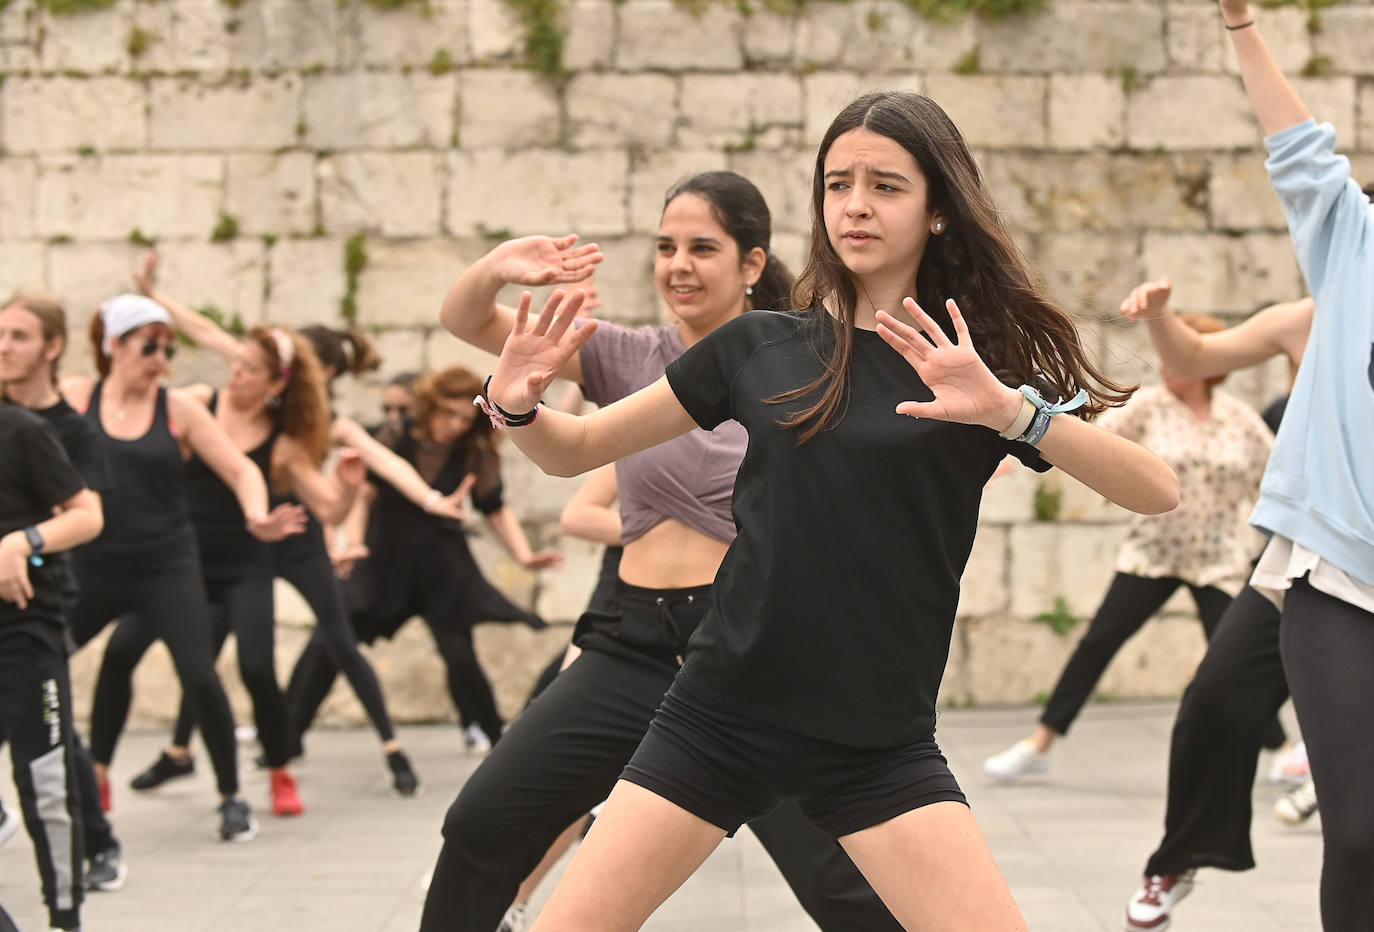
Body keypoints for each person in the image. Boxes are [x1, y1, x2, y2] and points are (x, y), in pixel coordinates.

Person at [468, 94, 1179, 932]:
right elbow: (576, 449)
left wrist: (1010, 412)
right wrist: (516, 403)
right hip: (716, 718)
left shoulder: (981, 364)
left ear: (939, 211)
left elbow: (1155, 490)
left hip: (878, 742)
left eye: (886, 186)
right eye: (838, 184)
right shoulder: (758, 345)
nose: (855, 206)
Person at [1119, 4, 1374, 912]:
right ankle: (1184, 849)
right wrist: (1242, 24)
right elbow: (1301, 147)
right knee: (1219, 704)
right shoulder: (1348, 262)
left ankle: (1330, 767)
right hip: (1325, 560)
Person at [118, 263, 466, 797]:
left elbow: (376, 469)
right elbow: (208, 335)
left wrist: (432, 499)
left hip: (297, 535)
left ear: (317, 372)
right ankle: (182, 750)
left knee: (339, 639)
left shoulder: (322, 423)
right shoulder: (243, 395)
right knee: (206, 643)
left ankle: (391, 748)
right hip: (245, 539)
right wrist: (155, 296)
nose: (249, 368)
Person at [92, 291, 362, 817]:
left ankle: (280, 769)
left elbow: (329, 508)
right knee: (123, 650)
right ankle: (98, 774)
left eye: (250, 368)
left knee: (257, 666)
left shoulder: (282, 443)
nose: (235, 373)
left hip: (244, 566)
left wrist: (348, 488)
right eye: (236, 363)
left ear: (276, 384)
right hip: (182, 562)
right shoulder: (194, 405)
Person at [983, 312, 1274, 782]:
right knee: (1098, 644)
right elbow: (1083, 442)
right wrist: (1006, 465)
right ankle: (1039, 744)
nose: (1166, 364)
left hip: (1219, 562)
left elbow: (1276, 475)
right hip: (1152, 556)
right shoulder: (1149, 408)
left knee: (1235, 657)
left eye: (1179, 355)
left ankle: (1280, 751)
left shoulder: (1239, 420)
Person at [61, 294, 304, 841]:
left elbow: (241, 469)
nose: (160, 357)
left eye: (168, 347)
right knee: (37, 660)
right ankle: (94, 781)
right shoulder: (78, 398)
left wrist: (257, 513)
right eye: (149, 345)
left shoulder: (178, 410)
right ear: (115, 346)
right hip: (93, 564)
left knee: (199, 673)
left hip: (164, 566)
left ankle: (231, 795)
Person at [288, 364, 560, 755]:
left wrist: (524, 555)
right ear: (430, 405)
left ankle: (496, 740)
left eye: (464, 418)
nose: (453, 424)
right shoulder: (396, 435)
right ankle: (287, 737)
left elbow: (493, 508)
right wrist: (356, 542)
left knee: (459, 654)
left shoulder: (473, 451)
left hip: (440, 568)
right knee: (331, 640)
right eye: (447, 412)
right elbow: (363, 493)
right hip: (384, 560)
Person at [0, 291, 129, 892]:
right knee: (45, 729)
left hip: (45, 596)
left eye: (19, 336)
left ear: (53, 348)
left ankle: (97, 841)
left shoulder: (68, 430)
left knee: (51, 730)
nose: (4, 346)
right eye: (0, 334)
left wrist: (24, 542)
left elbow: (83, 514)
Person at [0, 401, 105, 931]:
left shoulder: (23, 431)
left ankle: (66, 918)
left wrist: (22, 543)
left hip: (24, 632)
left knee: (44, 782)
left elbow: (87, 514)